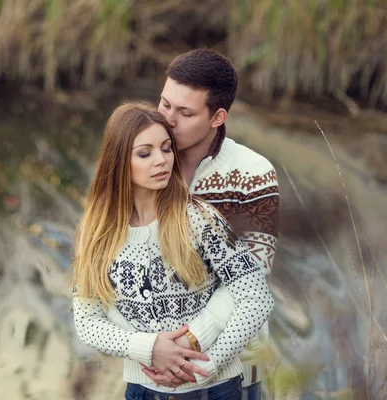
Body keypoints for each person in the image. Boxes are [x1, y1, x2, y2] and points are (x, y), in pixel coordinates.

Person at [71, 101, 274, 400]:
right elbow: (87, 322)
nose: (161, 160)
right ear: (117, 162)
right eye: (145, 153)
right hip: (141, 391)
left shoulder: (198, 218)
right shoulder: (98, 233)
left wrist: (209, 364)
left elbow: (257, 297)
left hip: (214, 390)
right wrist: (147, 348)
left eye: (166, 148)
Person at [141, 48, 280, 400]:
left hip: (231, 373)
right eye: (165, 104)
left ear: (217, 117)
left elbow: (252, 280)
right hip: (153, 368)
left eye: (185, 113)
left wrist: (188, 347)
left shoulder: (252, 175)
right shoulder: (142, 161)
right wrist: (149, 347)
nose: (168, 120)